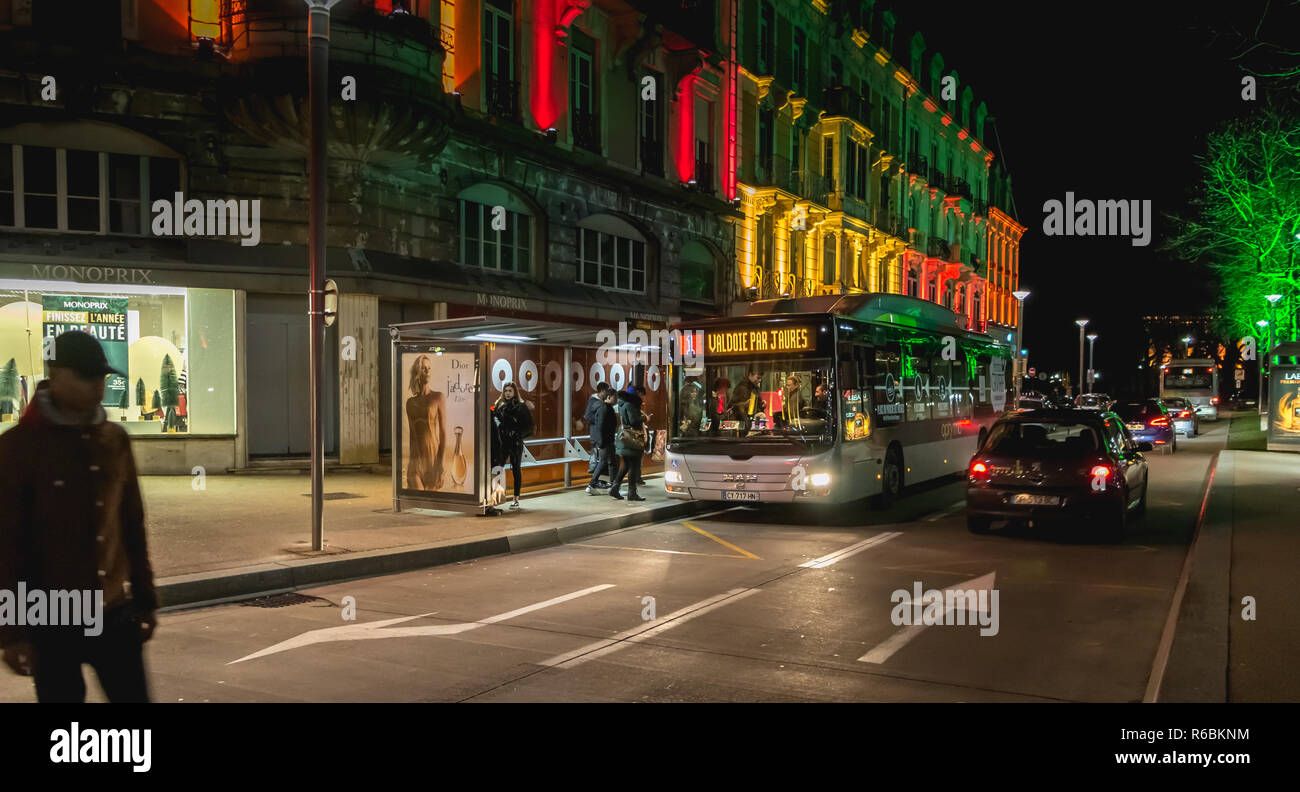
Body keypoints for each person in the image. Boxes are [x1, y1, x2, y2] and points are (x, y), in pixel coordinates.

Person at [0, 331, 158, 702]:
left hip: (115, 612)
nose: (98, 387)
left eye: (101, 377)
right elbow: (6, 544)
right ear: (55, 375)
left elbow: (132, 525)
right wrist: (12, 631)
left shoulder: (114, 440)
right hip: (51, 616)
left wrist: (146, 599)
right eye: (86, 376)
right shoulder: (19, 447)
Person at [405, 354, 446, 491]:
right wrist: (411, 462)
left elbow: (443, 433)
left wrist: (440, 464)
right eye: (423, 368)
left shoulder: (437, 397)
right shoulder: (410, 403)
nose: (427, 371)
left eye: (429, 368)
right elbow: (412, 435)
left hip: (432, 457)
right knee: (419, 499)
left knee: (429, 502)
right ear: (417, 372)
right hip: (416, 458)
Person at [493, 382, 533, 509]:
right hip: (502, 442)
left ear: (514, 392)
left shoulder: (521, 406)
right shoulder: (499, 405)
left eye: (510, 391)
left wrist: (517, 435)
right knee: (497, 467)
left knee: (515, 469)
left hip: (515, 442)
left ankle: (516, 498)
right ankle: (495, 495)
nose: (508, 393)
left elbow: (529, 426)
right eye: (506, 391)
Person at [609, 385, 647, 502]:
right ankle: (632, 493)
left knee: (625, 465)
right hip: (632, 440)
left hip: (624, 438)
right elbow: (633, 421)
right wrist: (643, 418)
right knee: (633, 466)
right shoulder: (630, 405)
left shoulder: (622, 404)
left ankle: (615, 488)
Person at [586, 388, 618, 495]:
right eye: (615, 397)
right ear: (609, 397)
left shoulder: (606, 408)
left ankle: (594, 484)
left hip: (606, 440)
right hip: (606, 441)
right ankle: (612, 487)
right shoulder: (605, 409)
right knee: (609, 462)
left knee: (607, 462)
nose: (616, 399)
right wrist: (601, 442)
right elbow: (601, 427)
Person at [583, 382, 611, 486]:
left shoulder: (600, 402)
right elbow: (588, 416)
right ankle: (596, 482)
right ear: (602, 391)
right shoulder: (594, 402)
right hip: (597, 435)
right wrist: (600, 419)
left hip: (600, 435)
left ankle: (602, 481)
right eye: (607, 390)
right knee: (601, 459)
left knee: (603, 460)